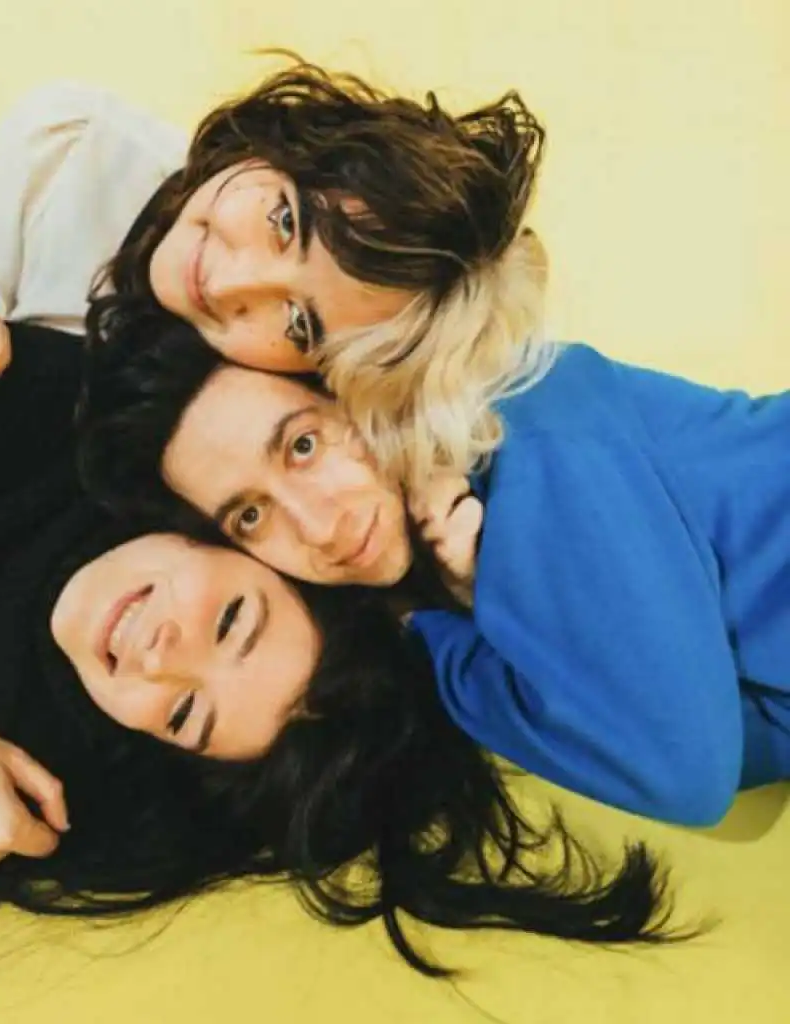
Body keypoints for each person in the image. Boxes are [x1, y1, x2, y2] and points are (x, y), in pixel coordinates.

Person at [0, 326, 674, 978]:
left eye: (184, 714)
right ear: (238, 538)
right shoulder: (55, 415)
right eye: (234, 620)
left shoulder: (81, 788)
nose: (159, 657)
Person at [75, 297, 790, 828]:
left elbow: (688, 773)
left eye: (304, 446)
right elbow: (746, 745)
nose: (320, 526)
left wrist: (466, 619)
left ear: (359, 386)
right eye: (251, 517)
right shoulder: (455, 607)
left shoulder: (524, 417)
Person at [0, 57, 547, 499]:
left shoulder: (252, 416)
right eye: (284, 220)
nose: (233, 283)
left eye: (298, 323)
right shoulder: (74, 145)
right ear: (283, 147)